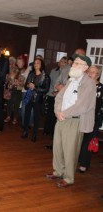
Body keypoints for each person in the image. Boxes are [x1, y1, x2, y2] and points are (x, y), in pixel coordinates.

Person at [46, 55, 96, 188]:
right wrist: (58, 112)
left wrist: (64, 114)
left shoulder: (89, 83)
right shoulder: (71, 80)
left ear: (85, 67)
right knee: (58, 147)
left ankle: (68, 178)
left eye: (78, 63)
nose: (74, 65)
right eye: (74, 62)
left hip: (74, 121)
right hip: (61, 118)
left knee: (70, 151)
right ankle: (58, 171)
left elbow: (82, 105)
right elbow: (59, 97)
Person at [78, 65, 103, 173]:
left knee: (87, 142)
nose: (90, 74)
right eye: (89, 71)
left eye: (93, 72)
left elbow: (98, 105)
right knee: (80, 140)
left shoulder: (101, 88)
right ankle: (78, 160)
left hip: (93, 119)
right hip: (81, 116)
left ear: (97, 75)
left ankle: (84, 163)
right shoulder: (84, 85)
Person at [21, 58, 50, 142]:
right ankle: (25, 131)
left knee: (36, 118)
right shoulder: (31, 73)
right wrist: (28, 85)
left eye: (38, 63)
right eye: (35, 63)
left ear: (42, 65)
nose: (36, 64)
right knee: (26, 115)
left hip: (38, 99)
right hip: (29, 97)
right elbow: (25, 86)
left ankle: (34, 134)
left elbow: (46, 89)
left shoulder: (45, 76)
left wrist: (35, 87)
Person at [43, 56, 68, 137]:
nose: (63, 63)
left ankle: (53, 132)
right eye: (62, 61)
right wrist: (52, 92)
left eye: (65, 62)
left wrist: (58, 93)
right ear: (59, 62)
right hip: (51, 94)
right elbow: (49, 83)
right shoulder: (53, 71)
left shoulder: (68, 73)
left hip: (61, 97)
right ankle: (46, 130)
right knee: (49, 113)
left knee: (56, 115)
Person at [4, 56, 26, 124]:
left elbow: (25, 82)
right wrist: (9, 78)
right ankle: (8, 116)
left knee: (17, 104)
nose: (19, 63)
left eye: (20, 62)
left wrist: (18, 82)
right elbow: (8, 78)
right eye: (18, 62)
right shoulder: (14, 69)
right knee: (9, 103)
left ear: (23, 63)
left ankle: (15, 117)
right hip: (12, 88)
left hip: (19, 89)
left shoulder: (25, 71)